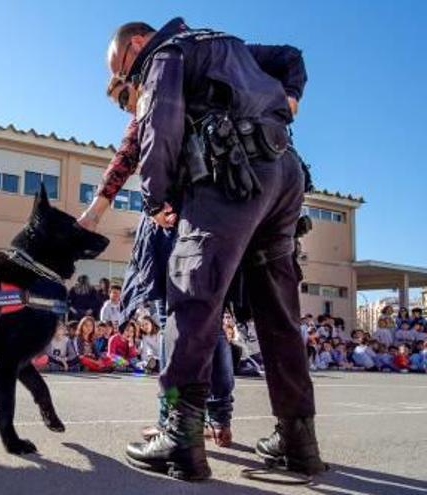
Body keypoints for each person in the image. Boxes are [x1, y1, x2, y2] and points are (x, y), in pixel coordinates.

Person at [81, 18, 324, 480]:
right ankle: (298, 440)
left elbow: (160, 126)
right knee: (279, 316)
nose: (128, 81)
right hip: (284, 176)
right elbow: (291, 56)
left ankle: (180, 434)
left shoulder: (164, 54)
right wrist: (290, 96)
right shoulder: (227, 44)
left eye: (124, 69)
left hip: (229, 176)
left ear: (137, 44)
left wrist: (155, 199)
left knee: (191, 302)